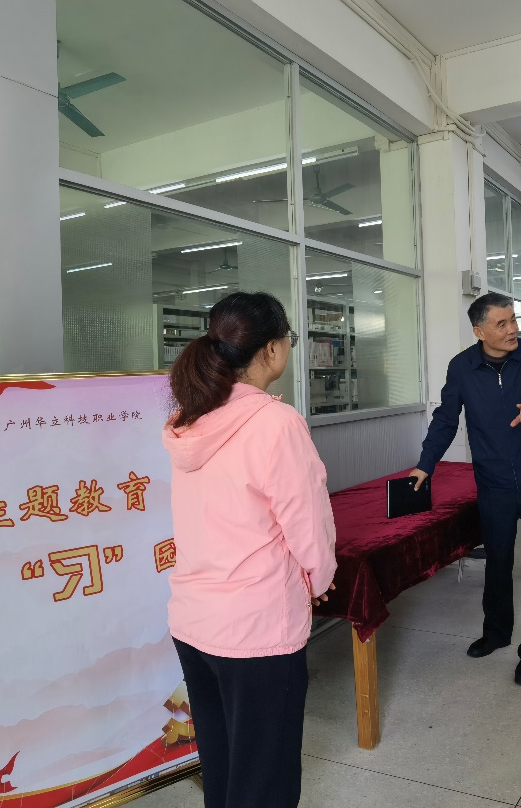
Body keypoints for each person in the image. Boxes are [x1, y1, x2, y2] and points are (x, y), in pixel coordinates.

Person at [162, 292, 337, 808]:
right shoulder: (274, 423)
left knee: (223, 765)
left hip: (194, 620)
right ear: (272, 349)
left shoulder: (190, 418)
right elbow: (307, 523)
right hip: (257, 629)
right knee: (265, 779)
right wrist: (318, 581)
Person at [409, 291, 521, 687]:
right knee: (497, 562)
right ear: (479, 332)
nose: (513, 329)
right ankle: (496, 633)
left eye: (513, 320)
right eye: (502, 323)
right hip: (494, 484)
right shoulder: (461, 367)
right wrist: (426, 463)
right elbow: (446, 419)